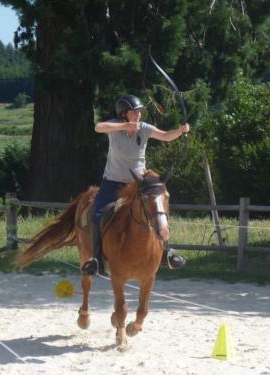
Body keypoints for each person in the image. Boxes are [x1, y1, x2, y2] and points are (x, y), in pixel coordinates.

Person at [81, 94, 190, 276]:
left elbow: (165, 136)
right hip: (113, 182)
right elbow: (98, 127)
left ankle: (166, 253)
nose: (138, 116)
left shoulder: (144, 128)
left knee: (158, 210)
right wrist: (124, 126)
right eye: (134, 112)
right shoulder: (115, 127)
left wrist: (181, 130)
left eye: (139, 112)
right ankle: (97, 260)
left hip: (138, 183)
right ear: (124, 114)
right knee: (97, 213)